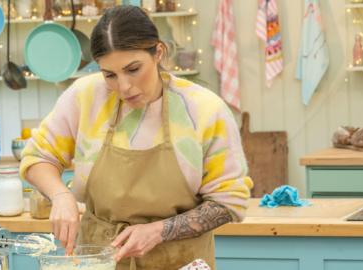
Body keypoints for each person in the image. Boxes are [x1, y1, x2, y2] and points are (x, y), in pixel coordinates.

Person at [20, 5, 253, 270]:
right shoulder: (86, 96)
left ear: (158, 52)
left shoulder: (204, 110)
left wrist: (159, 231)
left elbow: (229, 202)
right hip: (99, 261)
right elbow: (38, 155)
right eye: (110, 75)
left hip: (180, 262)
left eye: (133, 69)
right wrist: (61, 196)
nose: (124, 87)